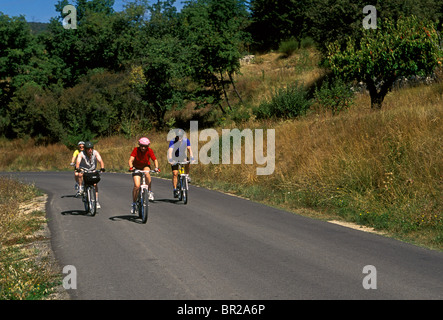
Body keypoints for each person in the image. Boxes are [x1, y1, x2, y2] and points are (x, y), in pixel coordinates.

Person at [129, 137, 159, 214]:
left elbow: (154, 159)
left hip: (145, 166)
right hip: (136, 168)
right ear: (139, 145)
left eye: (145, 146)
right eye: (141, 145)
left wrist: (156, 168)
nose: (143, 148)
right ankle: (134, 203)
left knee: (147, 173)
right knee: (137, 185)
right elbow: (131, 159)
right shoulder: (136, 150)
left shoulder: (149, 151)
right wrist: (131, 167)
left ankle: (149, 191)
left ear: (148, 146)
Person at [75, 141, 105, 208]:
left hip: (92, 170)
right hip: (84, 169)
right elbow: (78, 161)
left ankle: (96, 201)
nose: (90, 150)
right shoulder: (81, 154)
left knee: (94, 184)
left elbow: (100, 160)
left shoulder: (95, 152)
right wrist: (77, 168)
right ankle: (80, 188)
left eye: (91, 148)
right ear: (85, 149)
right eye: (88, 149)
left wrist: (102, 167)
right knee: (80, 174)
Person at [167, 129, 194, 198]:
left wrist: (192, 157)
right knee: (175, 173)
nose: (179, 137)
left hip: (182, 156)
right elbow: (170, 151)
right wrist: (170, 159)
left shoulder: (186, 140)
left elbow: (189, 149)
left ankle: (187, 175)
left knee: (188, 161)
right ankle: (175, 189)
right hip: (174, 158)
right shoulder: (173, 141)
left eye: (181, 136)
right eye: (178, 136)